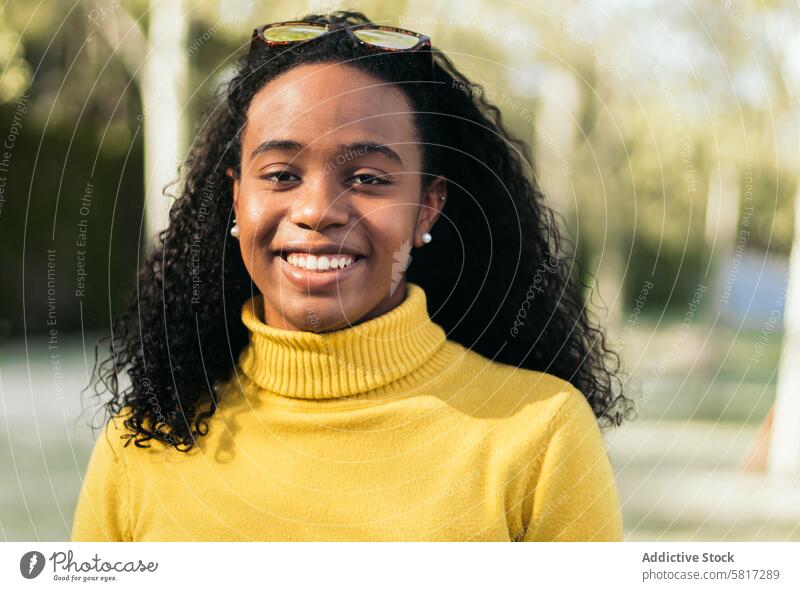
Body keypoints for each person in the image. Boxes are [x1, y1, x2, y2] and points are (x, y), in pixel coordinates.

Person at [72, 10, 633, 542]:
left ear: (427, 208)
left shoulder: (540, 433)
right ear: (236, 199)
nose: (318, 210)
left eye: (368, 178)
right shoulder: (144, 440)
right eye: (281, 174)